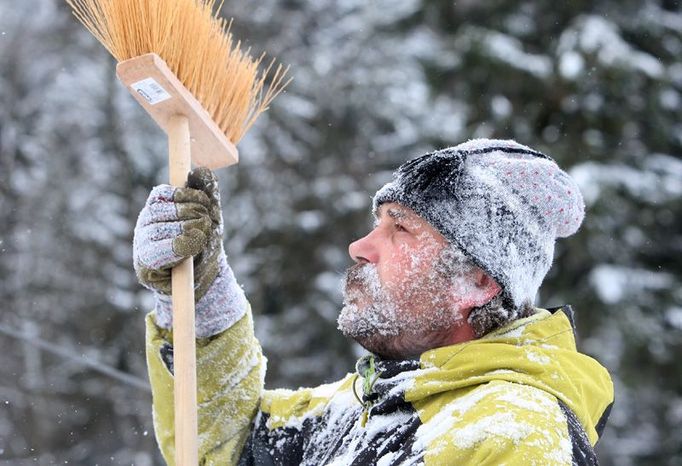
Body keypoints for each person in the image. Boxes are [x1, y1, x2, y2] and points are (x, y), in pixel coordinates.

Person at [134, 139, 614, 465]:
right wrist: (202, 299)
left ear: (476, 282)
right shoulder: (362, 406)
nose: (359, 247)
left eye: (400, 228)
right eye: (376, 222)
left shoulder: (511, 434)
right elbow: (228, 447)